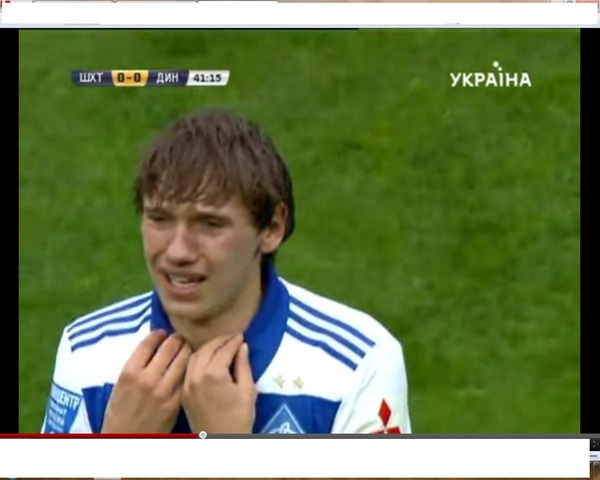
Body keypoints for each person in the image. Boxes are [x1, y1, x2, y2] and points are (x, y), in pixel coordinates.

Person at [40, 107, 412, 434]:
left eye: (210, 224)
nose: (178, 252)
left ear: (272, 228)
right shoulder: (87, 352)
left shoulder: (357, 363)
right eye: (160, 219)